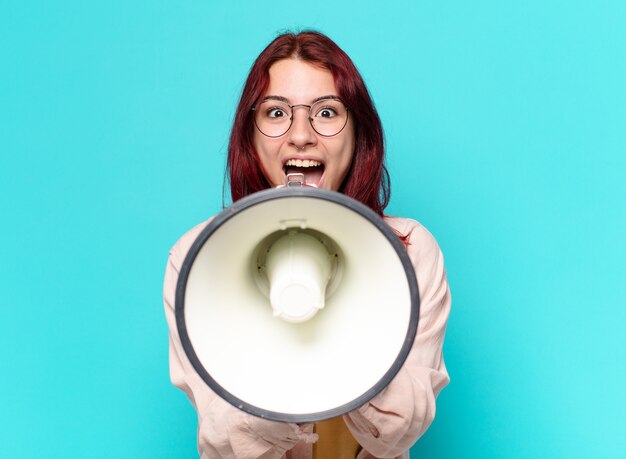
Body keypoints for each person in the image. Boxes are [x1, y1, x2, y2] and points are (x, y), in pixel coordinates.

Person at [163, 30, 451, 459]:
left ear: (358, 134)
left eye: (327, 112)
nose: (300, 135)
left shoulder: (409, 250)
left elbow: (400, 427)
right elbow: (224, 438)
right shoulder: (197, 259)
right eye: (276, 112)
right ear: (250, 136)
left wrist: (342, 326)